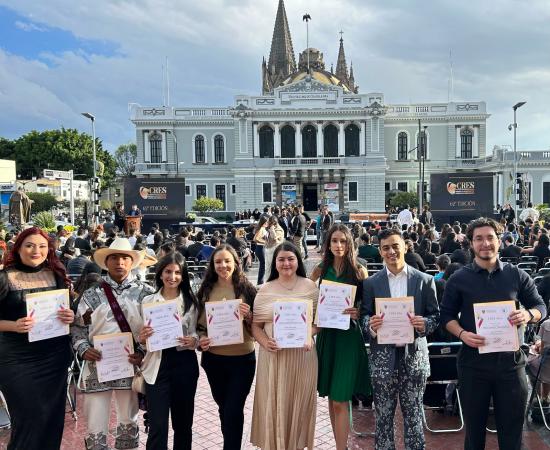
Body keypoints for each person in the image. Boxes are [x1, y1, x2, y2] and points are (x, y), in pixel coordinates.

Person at [440, 217, 546, 450]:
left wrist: (528, 315)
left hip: (511, 364)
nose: (485, 243)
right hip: (472, 364)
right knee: (474, 436)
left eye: (490, 237)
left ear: (499, 241)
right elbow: (446, 316)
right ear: (471, 244)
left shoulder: (517, 275)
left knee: (512, 435)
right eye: (479, 238)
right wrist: (462, 334)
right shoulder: (459, 278)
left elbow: (541, 307)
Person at [71, 237, 155, 450]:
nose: (119, 262)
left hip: (131, 366)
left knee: (128, 421)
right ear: (106, 263)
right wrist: (83, 349)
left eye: (124, 258)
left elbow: (154, 330)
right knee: (95, 424)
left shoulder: (145, 293)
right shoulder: (91, 293)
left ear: (131, 262)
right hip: (97, 365)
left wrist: (143, 351)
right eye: (114, 258)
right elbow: (78, 327)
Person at [360, 228, 440, 450]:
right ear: (380, 251)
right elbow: (364, 317)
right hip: (383, 361)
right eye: (386, 248)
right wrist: (371, 326)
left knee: (414, 416)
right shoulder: (371, 283)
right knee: (383, 418)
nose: (391, 251)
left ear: (405, 246)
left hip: (413, 358)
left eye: (395, 246)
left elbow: (436, 316)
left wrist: (425, 324)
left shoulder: (425, 280)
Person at [0, 227, 74, 450]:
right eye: (30, 245)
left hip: (54, 358)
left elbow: (66, 312)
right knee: (28, 419)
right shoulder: (4, 277)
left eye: (42, 246)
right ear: (18, 248)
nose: (36, 251)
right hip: (17, 361)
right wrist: (13, 325)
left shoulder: (56, 274)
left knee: (52, 419)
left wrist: (69, 315)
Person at [250, 242, 318, 450]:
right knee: (274, 404)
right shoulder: (264, 289)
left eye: (290, 258)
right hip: (273, 357)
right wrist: (265, 342)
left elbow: (318, 323)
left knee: (299, 405)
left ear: (298, 261)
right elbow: (256, 326)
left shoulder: (310, 287)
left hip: (303, 356)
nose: (286, 263)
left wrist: (309, 334)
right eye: (281, 259)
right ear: (275, 263)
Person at [310, 224, 371, 450]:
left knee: (340, 398)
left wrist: (358, 310)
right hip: (327, 337)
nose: (338, 245)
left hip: (347, 338)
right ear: (328, 244)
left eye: (343, 241)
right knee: (332, 398)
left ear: (350, 243)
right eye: (334, 241)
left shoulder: (359, 270)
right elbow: (308, 298)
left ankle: (341, 448)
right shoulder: (319, 269)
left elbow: (368, 306)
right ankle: (339, 445)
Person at [197, 245, 257, 450]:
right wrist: (201, 339)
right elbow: (198, 326)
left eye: (227, 261)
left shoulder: (247, 289)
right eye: (218, 262)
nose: (223, 265)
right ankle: (229, 444)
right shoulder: (205, 290)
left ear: (235, 263)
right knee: (224, 408)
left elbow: (260, 326)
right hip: (214, 360)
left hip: (243, 360)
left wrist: (249, 315)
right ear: (213, 266)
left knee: (233, 409)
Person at [138, 252, 200, 450]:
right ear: (160, 273)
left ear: (183, 275)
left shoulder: (191, 301)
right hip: (157, 365)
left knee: (183, 425)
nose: (172, 277)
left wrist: (195, 340)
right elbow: (141, 341)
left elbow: (200, 332)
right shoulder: (148, 301)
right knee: (157, 424)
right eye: (168, 272)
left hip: (184, 363)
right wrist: (142, 338)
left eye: (177, 273)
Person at [263, 215, 285, 281]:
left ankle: (275, 282)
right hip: (268, 249)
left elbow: (275, 238)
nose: (268, 223)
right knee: (267, 268)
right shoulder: (270, 229)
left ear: (273, 222)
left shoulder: (279, 229)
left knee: (274, 267)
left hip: (275, 250)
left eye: (269, 222)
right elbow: (268, 238)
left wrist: (272, 230)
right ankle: (267, 282)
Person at [253, 216, 269, 285]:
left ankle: (260, 280)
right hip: (260, 248)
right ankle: (260, 281)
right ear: (264, 222)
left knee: (263, 265)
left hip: (260, 248)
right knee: (263, 264)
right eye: (266, 222)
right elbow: (255, 239)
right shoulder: (261, 229)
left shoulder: (262, 228)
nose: (267, 223)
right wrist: (264, 242)